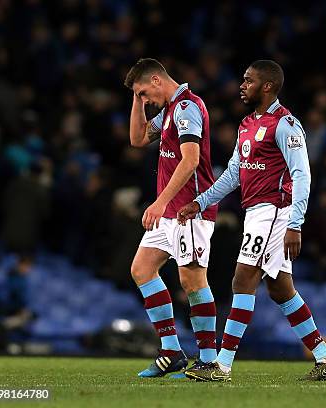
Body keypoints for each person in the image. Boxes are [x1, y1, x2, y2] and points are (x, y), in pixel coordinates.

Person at [176, 60, 326, 382]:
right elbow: (233, 174)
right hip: (256, 212)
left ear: (267, 86)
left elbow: (302, 176)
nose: (242, 85)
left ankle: (221, 366)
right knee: (281, 290)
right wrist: (201, 202)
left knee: (242, 281)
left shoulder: (286, 125)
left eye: (248, 81)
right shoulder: (246, 125)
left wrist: (296, 223)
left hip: (274, 211)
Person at [124, 58, 218, 377]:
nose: (145, 101)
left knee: (192, 280)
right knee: (142, 269)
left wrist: (161, 202)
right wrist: (136, 100)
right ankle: (171, 352)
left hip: (186, 210)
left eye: (144, 93)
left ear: (156, 80)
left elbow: (190, 160)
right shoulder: (168, 112)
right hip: (170, 212)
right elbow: (137, 140)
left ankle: (208, 360)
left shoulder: (187, 107)